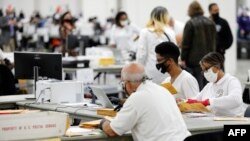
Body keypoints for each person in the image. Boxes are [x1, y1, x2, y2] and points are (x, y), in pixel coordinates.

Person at [99, 62, 190, 141]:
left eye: (122, 83)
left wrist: (103, 123)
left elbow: (111, 131)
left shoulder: (136, 98)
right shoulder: (163, 90)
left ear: (127, 83)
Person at [187, 52, 246, 117]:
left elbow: (236, 100)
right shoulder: (209, 86)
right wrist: (185, 101)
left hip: (231, 121)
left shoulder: (231, 81)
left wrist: (209, 102)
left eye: (206, 69)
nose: (205, 73)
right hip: (213, 121)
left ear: (217, 67)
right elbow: (197, 99)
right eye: (203, 71)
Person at [136, 6, 176, 84]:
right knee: (166, 94)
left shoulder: (145, 32)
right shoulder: (170, 32)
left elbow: (141, 55)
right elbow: (175, 53)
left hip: (150, 72)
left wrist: (138, 72)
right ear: (166, 17)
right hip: (167, 72)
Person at [181, 1, 216, 90]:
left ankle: (199, 103)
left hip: (195, 61)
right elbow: (215, 41)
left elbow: (186, 44)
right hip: (209, 60)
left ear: (190, 11)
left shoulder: (190, 23)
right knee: (209, 86)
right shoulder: (210, 22)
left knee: (197, 86)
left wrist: (183, 58)